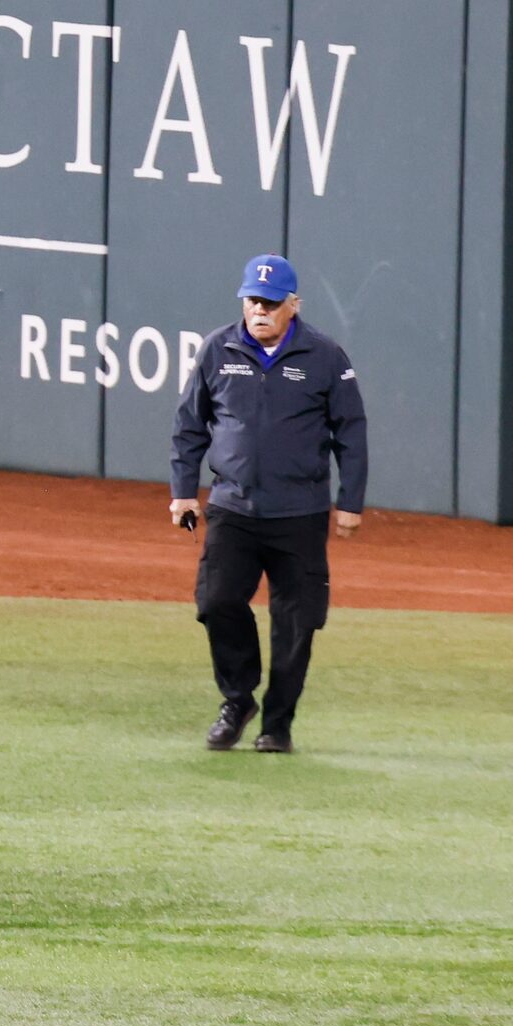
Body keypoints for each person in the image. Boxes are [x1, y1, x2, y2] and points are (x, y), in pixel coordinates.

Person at [168, 255, 368, 755]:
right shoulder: (219, 348)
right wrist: (182, 490)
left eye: (271, 303)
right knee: (216, 601)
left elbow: (351, 432)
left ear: (293, 305)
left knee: (297, 622)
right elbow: (190, 425)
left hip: (298, 513)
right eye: (253, 300)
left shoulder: (325, 356)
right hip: (233, 507)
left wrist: (351, 500)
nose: (259, 310)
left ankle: (278, 723)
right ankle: (238, 700)